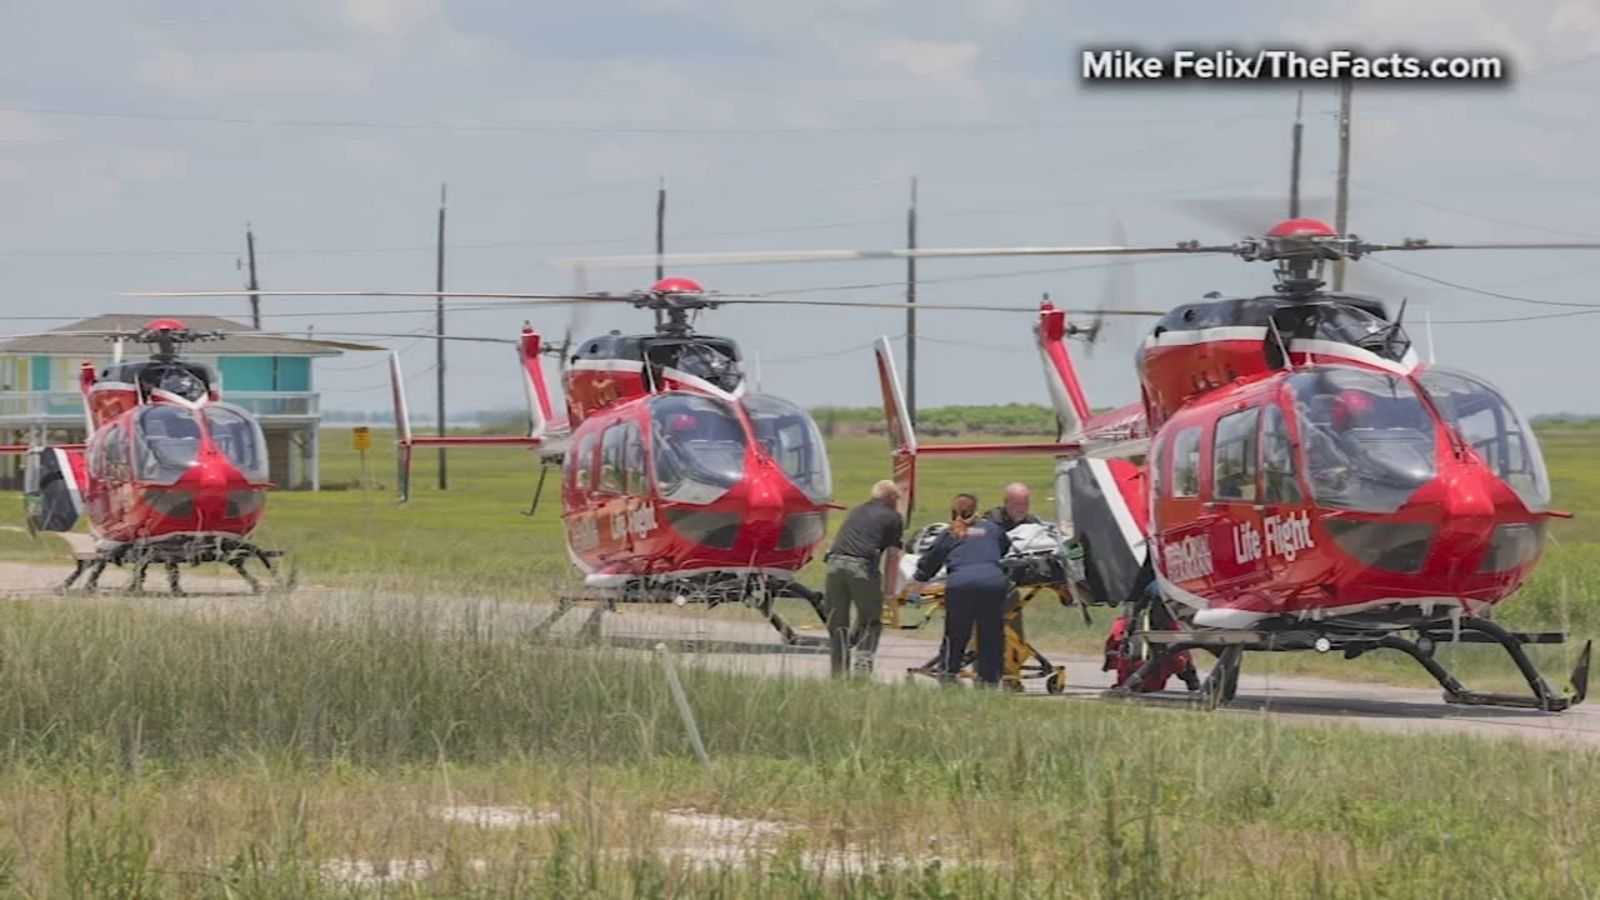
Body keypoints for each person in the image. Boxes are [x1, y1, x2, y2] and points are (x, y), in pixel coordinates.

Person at [905, 493, 1012, 687]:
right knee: (991, 634)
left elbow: (931, 561)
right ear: (976, 509)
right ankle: (989, 680)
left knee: (956, 633)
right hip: (993, 584)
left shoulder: (950, 533)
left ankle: (948, 673)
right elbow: (1005, 548)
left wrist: (917, 582)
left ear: (953, 512)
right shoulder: (992, 529)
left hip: (961, 586)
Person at [822, 479, 904, 677]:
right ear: (891, 498)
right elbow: (892, 557)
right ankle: (862, 672)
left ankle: (838, 672)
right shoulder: (893, 517)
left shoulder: (857, 510)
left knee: (837, 622)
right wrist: (890, 592)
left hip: (834, 565)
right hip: (861, 567)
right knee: (870, 621)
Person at [984, 483, 1042, 678]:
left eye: (1025, 503)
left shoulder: (1033, 522)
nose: (1022, 508)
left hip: (1013, 583)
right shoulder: (992, 520)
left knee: (1015, 630)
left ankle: (1013, 673)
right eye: (1017, 503)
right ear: (1006, 502)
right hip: (989, 583)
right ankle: (984, 675)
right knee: (985, 631)